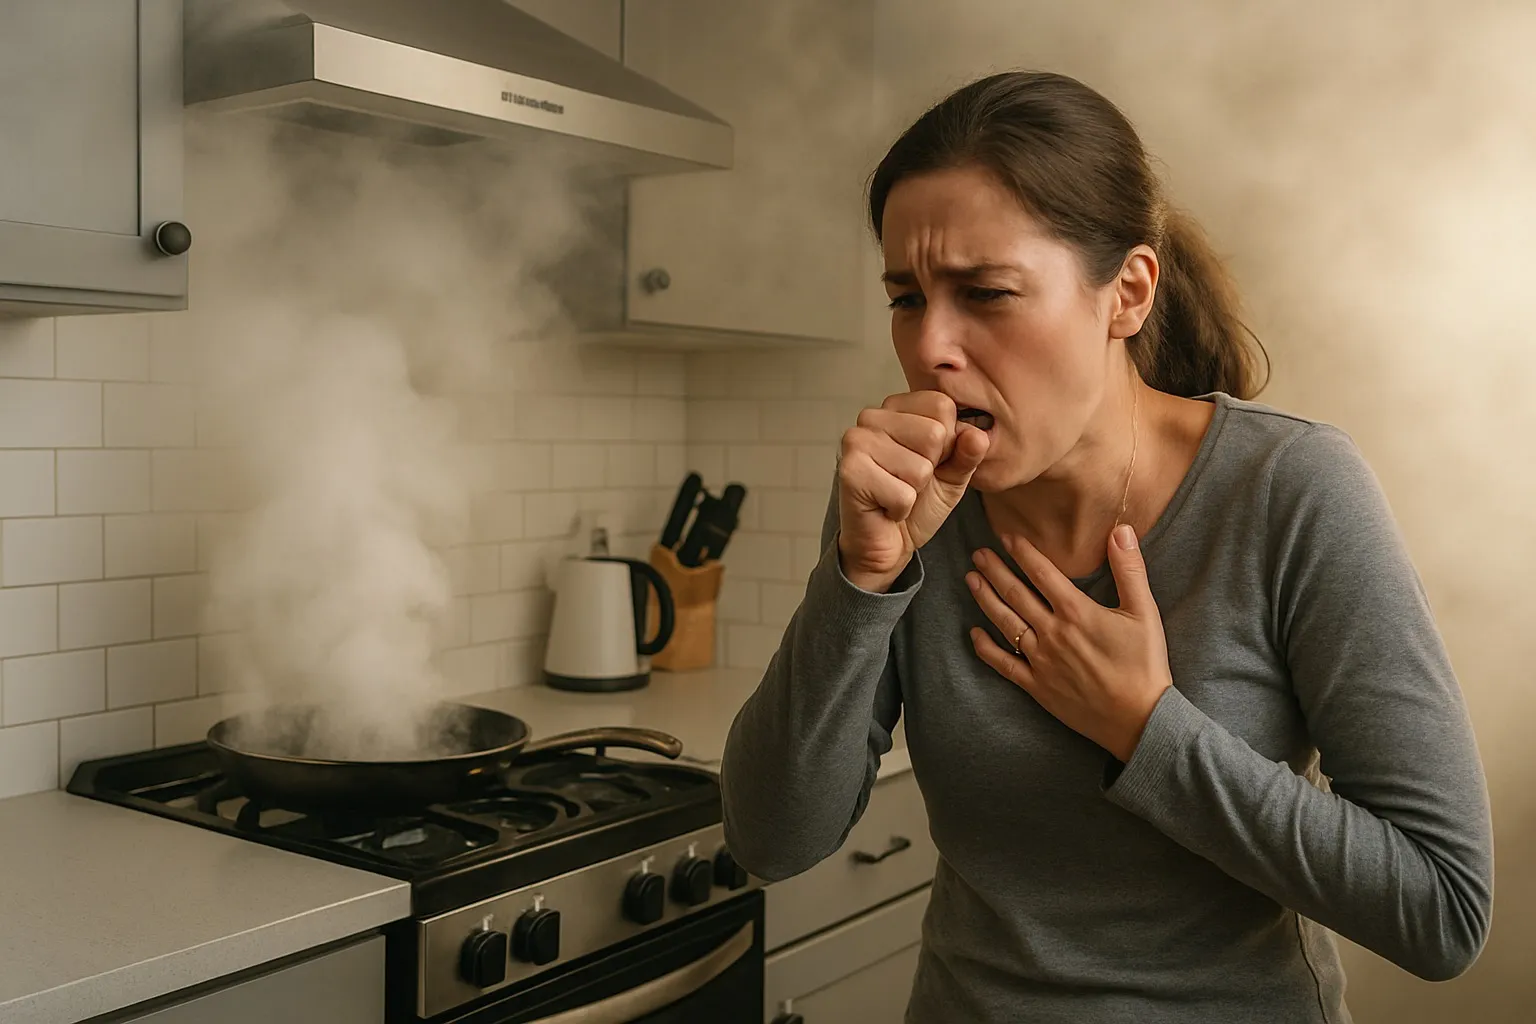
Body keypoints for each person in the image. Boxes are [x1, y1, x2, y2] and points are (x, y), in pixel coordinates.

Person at [719, 70, 1493, 1023]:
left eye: (986, 292)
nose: (932, 349)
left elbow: (1442, 910)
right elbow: (770, 839)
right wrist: (860, 578)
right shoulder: (912, 509)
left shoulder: (1290, 489)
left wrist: (1147, 727)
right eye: (907, 298)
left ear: (1127, 293)